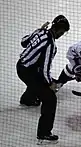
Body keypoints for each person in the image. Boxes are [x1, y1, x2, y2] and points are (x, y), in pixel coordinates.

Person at [16, 15, 70, 144]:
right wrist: (50, 83)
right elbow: (45, 68)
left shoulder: (40, 31)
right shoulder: (50, 44)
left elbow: (24, 42)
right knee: (50, 99)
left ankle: (27, 100)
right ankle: (44, 134)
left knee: (37, 82)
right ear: (58, 30)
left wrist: (37, 31)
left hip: (21, 66)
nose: (61, 35)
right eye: (62, 32)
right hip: (29, 72)